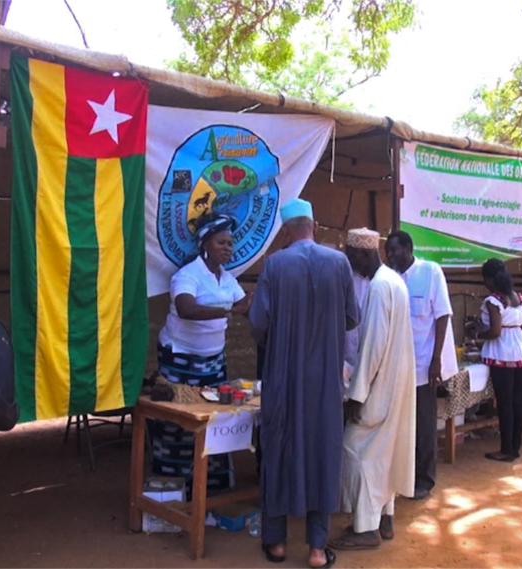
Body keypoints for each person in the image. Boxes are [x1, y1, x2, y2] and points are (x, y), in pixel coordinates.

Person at [249, 199, 358, 569]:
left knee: (278, 449)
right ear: (314, 225)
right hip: (326, 380)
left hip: (283, 378)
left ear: (286, 230)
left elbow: (259, 324)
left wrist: (281, 341)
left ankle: (276, 543)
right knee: (322, 453)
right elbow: (350, 319)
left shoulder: (275, 265)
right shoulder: (339, 262)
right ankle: (315, 549)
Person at [151, 214, 250, 496]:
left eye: (231, 243)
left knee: (214, 421)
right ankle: (171, 492)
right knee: (178, 423)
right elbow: (186, 309)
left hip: (214, 363)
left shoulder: (227, 279)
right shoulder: (187, 275)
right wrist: (228, 311)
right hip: (180, 362)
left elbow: (243, 301)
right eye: (221, 242)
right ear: (205, 243)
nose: (228, 247)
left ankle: (212, 490)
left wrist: (254, 299)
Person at [331, 228, 416, 552]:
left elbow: (373, 346)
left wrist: (356, 394)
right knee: (381, 454)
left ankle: (366, 528)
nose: (353, 268)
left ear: (365, 254)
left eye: (353, 260)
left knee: (357, 450)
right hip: (396, 385)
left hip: (380, 388)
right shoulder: (394, 281)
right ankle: (385, 516)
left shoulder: (380, 287)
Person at [384, 230, 457, 500]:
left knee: (424, 425)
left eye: (394, 251)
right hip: (397, 368)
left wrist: (437, 359)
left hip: (424, 366)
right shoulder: (389, 279)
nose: (390, 256)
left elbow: (442, 316)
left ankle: (425, 480)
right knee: (401, 426)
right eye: (387, 252)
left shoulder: (430, 272)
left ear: (409, 248)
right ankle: (404, 475)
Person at [472, 259, 522, 462]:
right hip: (520, 350)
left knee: (505, 402)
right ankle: (514, 447)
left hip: (502, 352)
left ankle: (506, 450)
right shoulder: (516, 297)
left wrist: (477, 336)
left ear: (489, 279)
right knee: (517, 401)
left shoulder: (493, 301)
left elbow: (495, 331)